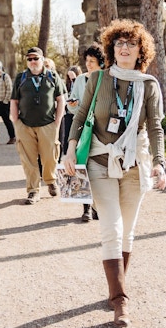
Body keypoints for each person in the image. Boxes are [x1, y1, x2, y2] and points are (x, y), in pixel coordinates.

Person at [63, 19, 166, 328]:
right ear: (111, 48)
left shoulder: (149, 85)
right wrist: (69, 150)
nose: (124, 48)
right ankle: (120, 300)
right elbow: (81, 116)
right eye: (119, 43)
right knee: (111, 227)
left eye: (130, 44)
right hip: (98, 160)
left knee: (128, 230)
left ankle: (115, 285)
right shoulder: (97, 79)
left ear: (140, 51)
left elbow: (155, 126)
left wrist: (159, 162)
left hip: (135, 163)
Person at [10, 47, 67, 204]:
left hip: (47, 124)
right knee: (29, 160)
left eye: (35, 58)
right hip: (25, 125)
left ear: (42, 59)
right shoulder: (21, 78)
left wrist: (57, 121)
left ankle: (50, 179)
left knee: (49, 157)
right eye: (29, 59)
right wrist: (15, 121)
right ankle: (33, 191)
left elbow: (61, 99)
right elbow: (14, 101)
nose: (33, 62)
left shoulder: (52, 76)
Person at [67, 43, 105, 222]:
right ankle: (86, 208)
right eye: (87, 61)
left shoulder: (104, 79)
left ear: (100, 62)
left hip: (101, 129)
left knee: (99, 168)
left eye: (92, 61)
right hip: (83, 129)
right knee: (83, 165)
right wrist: (72, 105)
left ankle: (98, 206)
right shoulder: (80, 80)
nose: (89, 64)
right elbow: (71, 107)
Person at [62, 65, 83, 155]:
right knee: (67, 134)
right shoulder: (66, 84)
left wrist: (75, 80)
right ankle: (67, 153)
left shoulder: (80, 82)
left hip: (78, 112)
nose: (70, 78)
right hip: (68, 113)